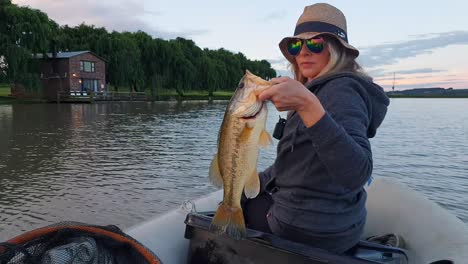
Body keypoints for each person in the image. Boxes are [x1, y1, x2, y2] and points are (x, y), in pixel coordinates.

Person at [242, 3, 390, 254]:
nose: (303, 52)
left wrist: (306, 104)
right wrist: (250, 182)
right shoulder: (314, 89)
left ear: (336, 49)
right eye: (296, 45)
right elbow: (292, 163)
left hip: (309, 230)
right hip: (339, 226)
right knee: (243, 194)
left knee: (238, 212)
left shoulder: (343, 92)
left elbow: (358, 173)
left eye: (315, 43)